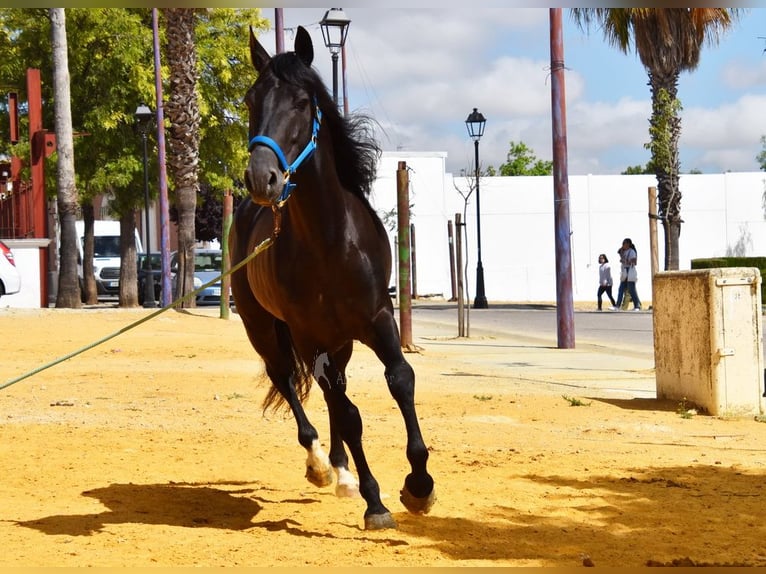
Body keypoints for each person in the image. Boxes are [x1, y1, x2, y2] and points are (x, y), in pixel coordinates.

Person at [611, 237, 641, 311]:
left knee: (631, 289)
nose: (623, 245)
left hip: (629, 270)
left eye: (624, 243)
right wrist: (622, 249)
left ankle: (637, 305)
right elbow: (619, 251)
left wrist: (625, 260)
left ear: (628, 244)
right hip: (624, 271)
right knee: (621, 289)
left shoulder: (632, 251)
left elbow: (634, 262)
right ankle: (617, 305)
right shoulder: (624, 251)